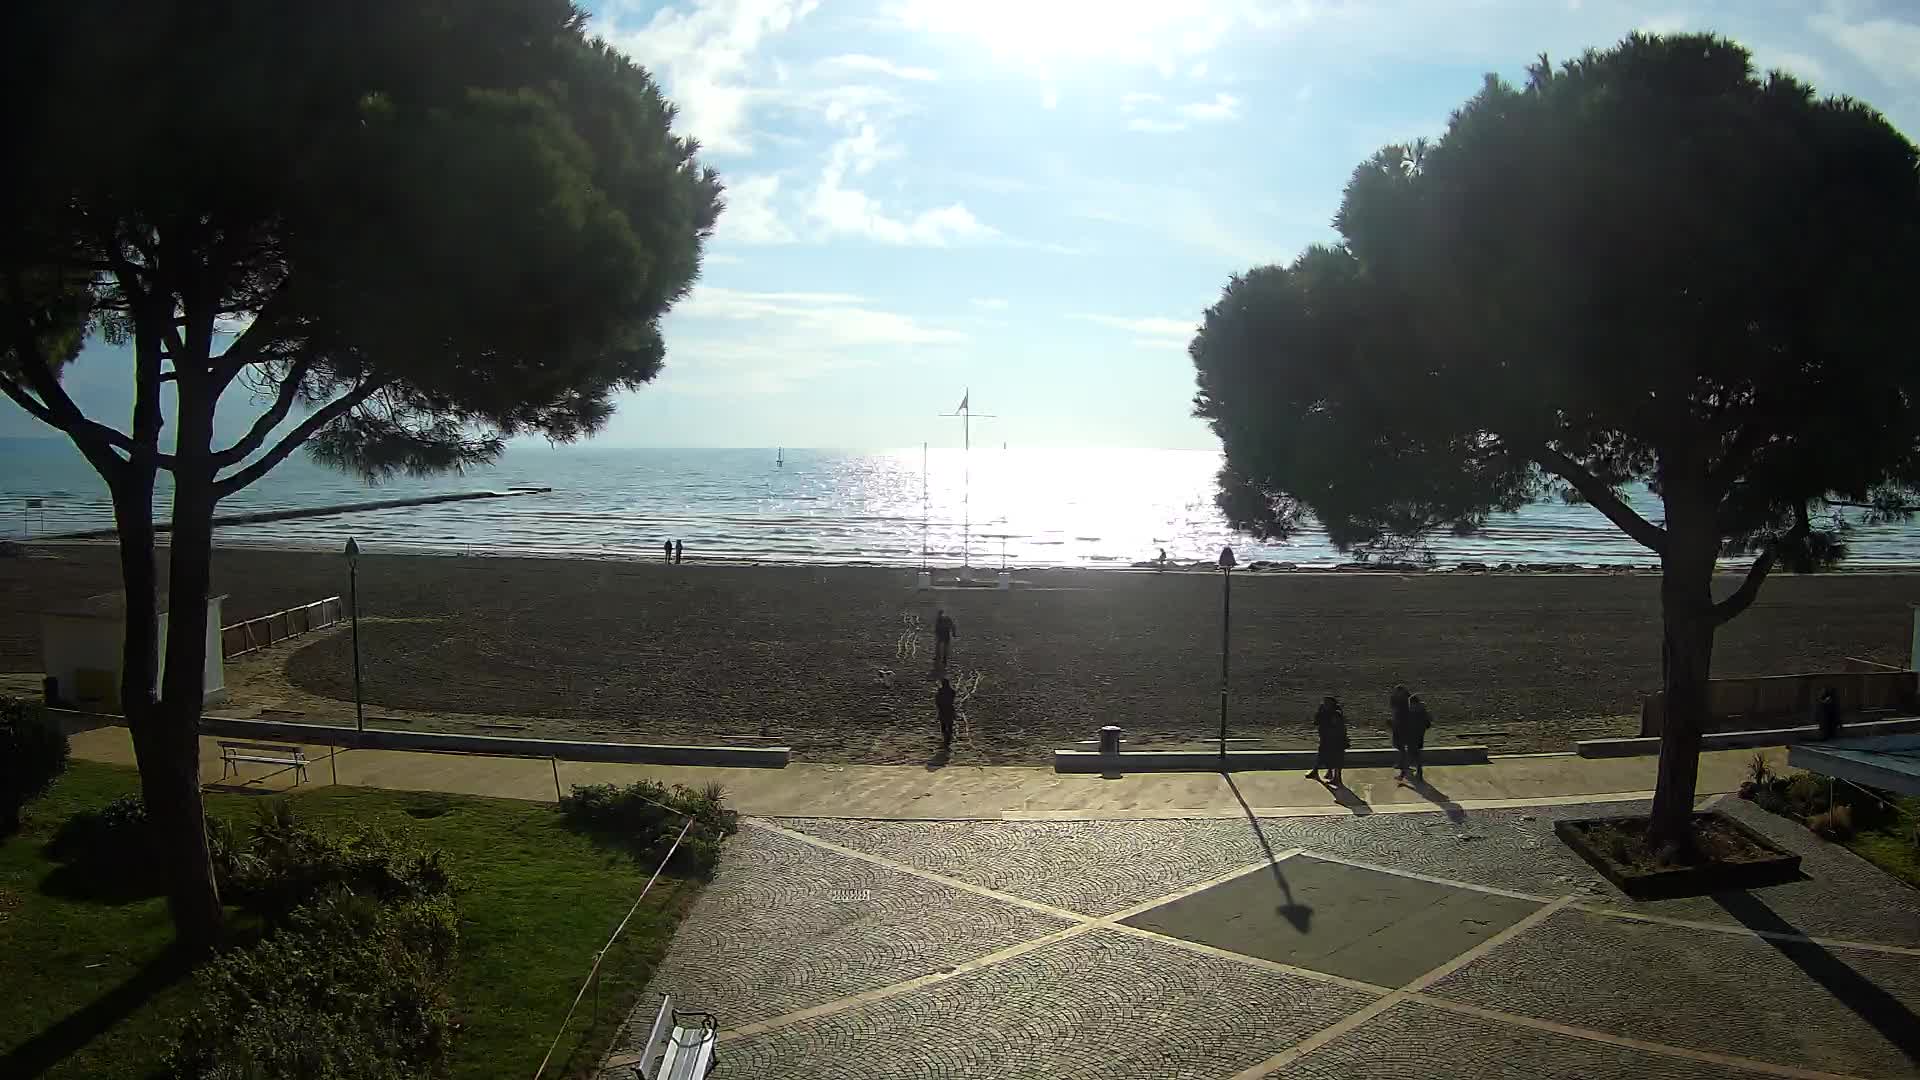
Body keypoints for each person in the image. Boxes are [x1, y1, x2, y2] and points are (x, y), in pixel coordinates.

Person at [1307, 695, 1348, 786]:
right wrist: (1320, 712)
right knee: (1323, 755)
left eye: (1326, 702)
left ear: (1332, 704)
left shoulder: (1336, 714)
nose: (1324, 704)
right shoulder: (1323, 712)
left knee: (1336, 759)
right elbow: (1316, 722)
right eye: (1323, 702)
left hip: (1335, 740)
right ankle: (1322, 772)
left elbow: (1338, 727)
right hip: (1326, 739)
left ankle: (1336, 778)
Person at [1404, 694, 1433, 782]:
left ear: (1413, 703)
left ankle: (1408, 771)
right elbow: (1428, 724)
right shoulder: (1423, 711)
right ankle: (1415, 770)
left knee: (1412, 753)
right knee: (1416, 753)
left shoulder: (1411, 711)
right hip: (1420, 735)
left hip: (1411, 735)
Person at [1389, 685, 1412, 779]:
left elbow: (1399, 712)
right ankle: (1403, 764)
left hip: (1402, 726)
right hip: (1399, 725)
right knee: (1399, 745)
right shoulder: (1399, 700)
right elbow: (1392, 706)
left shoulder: (1405, 702)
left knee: (1401, 746)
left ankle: (1403, 767)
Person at [936, 677, 957, 749]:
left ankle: (945, 739)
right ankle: (948, 739)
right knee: (950, 724)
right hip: (950, 709)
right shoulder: (952, 691)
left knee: (943, 725)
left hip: (942, 709)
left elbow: (937, 701)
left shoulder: (940, 691)